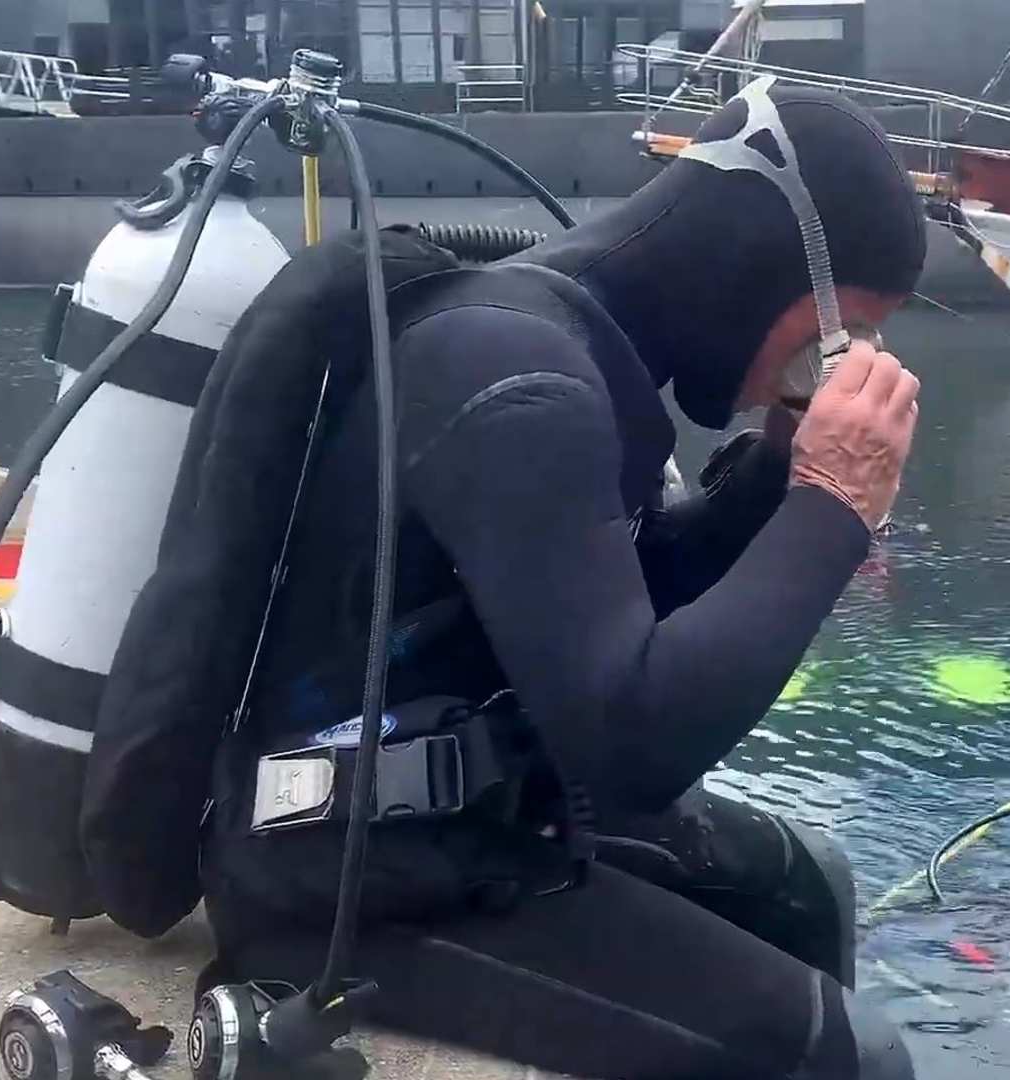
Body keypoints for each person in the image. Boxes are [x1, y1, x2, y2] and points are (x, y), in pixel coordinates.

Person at [120, 84, 930, 1078]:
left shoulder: (570, 338)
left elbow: (606, 608)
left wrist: (774, 476)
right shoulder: (518, 374)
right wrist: (832, 505)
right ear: (767, 265)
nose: (823, 365)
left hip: (480, 820)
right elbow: (632, 746)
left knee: (811, 883)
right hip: (350, 881)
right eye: (836, 333)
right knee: (848, 1056)